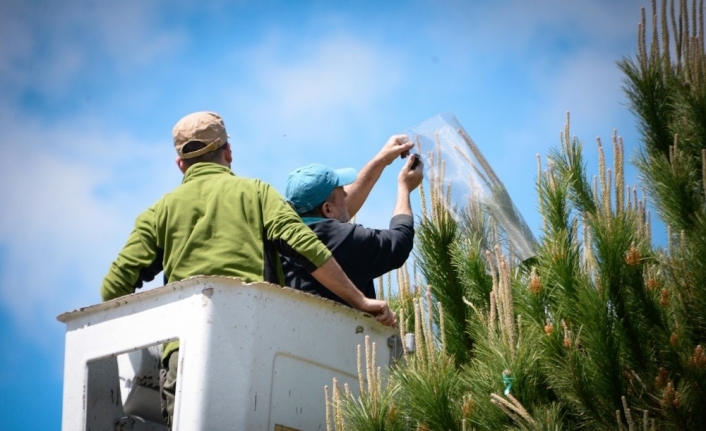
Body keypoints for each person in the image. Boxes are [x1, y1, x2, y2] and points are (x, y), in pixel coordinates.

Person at [99, 111, 395, 428]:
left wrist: (163, 339)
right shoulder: (258, 194)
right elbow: (306, 247)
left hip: (184, 359)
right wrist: (361, 301)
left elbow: (114, 288)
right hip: (258, 351)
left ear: (180, 164)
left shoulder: (158, 213)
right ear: (228, 152)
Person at [282, 135, 423, 304]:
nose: (346, 193)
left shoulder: (281, 238)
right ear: (327, 209)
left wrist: (383, 159)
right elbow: (400, 241)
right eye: (341, 190)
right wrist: (404, 188)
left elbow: (338, 210)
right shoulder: (344, 239)